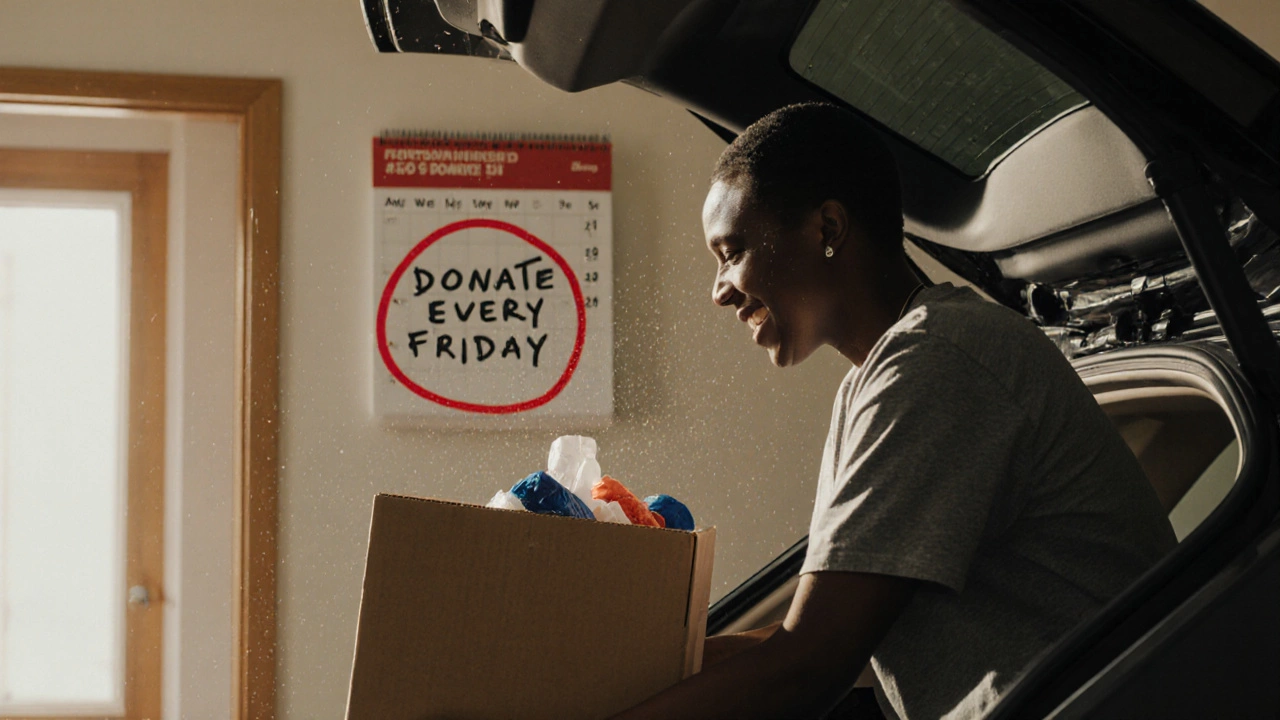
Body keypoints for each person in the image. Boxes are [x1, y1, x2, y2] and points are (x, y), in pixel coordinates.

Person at [613, 103, 1177, 719]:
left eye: (732, 251)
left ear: (828, 228)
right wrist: (604, 671)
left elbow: (809, 665)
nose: (719, 290)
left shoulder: (936, 362)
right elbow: (817, 633)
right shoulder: (882, 375)